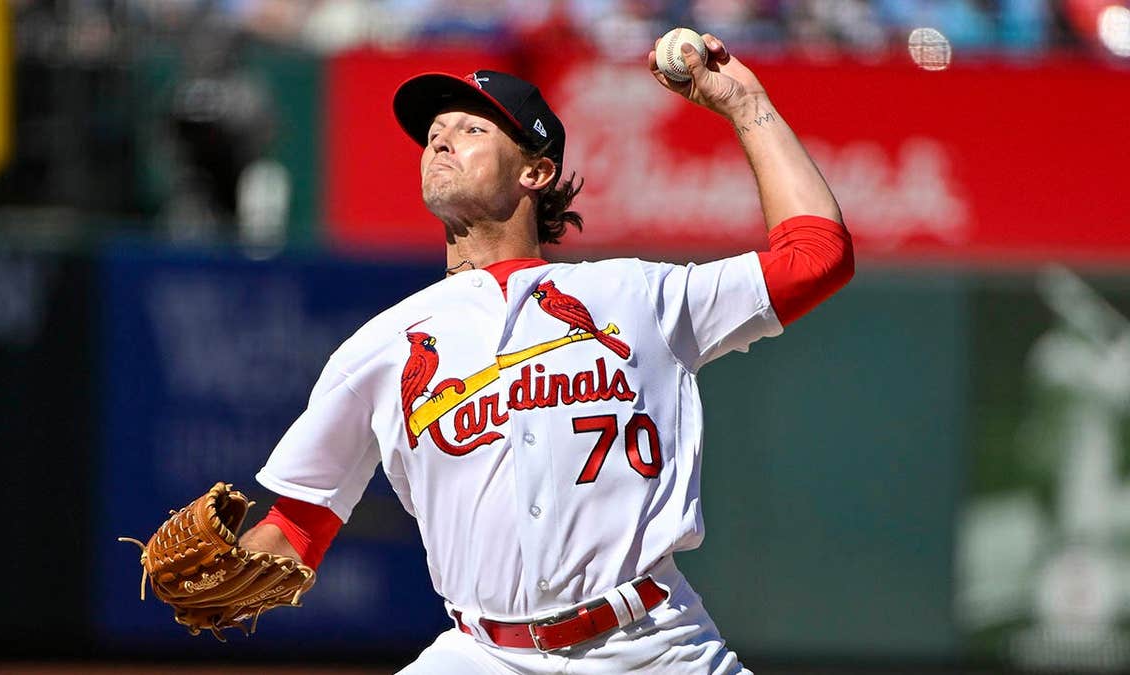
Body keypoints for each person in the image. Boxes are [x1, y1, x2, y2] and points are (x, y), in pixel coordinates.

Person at [238, 31, 853, 673]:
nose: (441, 139)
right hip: (481, 654)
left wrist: (745, 101)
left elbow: (815, 256)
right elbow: (300, 522)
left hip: (650, 646)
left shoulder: (635, 293)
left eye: (471, 129)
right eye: (434, 133)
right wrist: (240, 572)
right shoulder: (382, 345)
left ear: (535, 171)